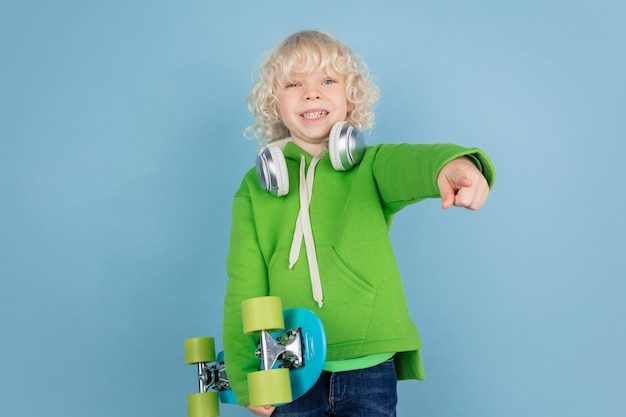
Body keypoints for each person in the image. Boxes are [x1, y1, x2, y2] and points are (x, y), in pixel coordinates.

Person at [223, 30, 495, 417]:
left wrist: (457, 166)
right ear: (273, 103)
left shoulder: (371, 166)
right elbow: (244, 284)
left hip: (369, 365)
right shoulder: (255, 189)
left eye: (328, 81)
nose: (312, 93)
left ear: (351, 96)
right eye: (294, 83)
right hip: (291, 373)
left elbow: (415, 165)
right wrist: (244, 371)